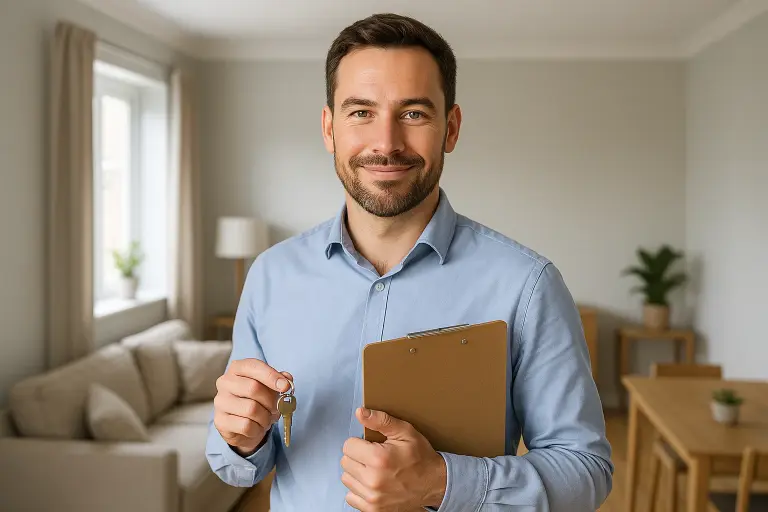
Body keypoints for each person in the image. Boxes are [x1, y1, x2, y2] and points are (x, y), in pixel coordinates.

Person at [206, 12, 613, 512]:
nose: (386, 143)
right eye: (361, 112)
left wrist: (442, 482)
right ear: (329, 128)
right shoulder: (270, 276)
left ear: (451, 127)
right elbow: (239, 461)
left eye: (414, 113)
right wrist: (237, 436)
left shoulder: (527, 285)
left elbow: (586, 470)